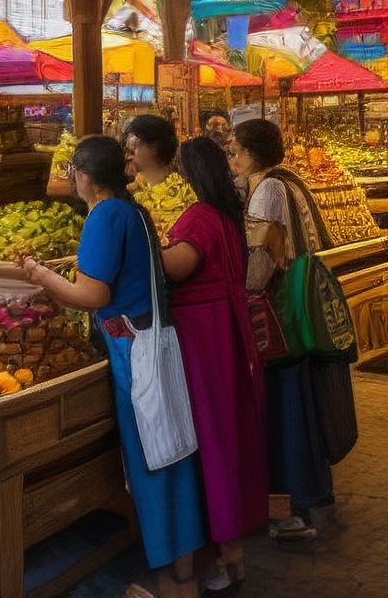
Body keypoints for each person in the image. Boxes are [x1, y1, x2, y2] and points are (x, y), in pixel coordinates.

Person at [22, 135, 206, 598]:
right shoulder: (134, 211)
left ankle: (171, 583)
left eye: (71, 172)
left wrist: (41, 275)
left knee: (151, 460)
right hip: (156, 343)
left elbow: (91, 296)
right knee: (173, 452)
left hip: (132, 351)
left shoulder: (104, 215)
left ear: (83, 176)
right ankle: (183, 575)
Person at [231, 117, 355, 533]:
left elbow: (263, 257)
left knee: (287, 408)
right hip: (303, 310)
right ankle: (311, 495)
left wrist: (247, 293)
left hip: (282, 313)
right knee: (302, 400)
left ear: (251, 153)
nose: (231, 156)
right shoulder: (290, 181)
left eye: (235, 150)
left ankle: (294, 507)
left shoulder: (268, 190)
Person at [161, 136, 269, 589]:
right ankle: (231, 551)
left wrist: (141, 245)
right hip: (223, 330)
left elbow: (176, 267)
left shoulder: (199, 217)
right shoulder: (224, 214)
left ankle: (222, 554)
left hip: (203, 336)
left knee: (210, 435)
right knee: (228, 431)